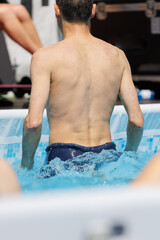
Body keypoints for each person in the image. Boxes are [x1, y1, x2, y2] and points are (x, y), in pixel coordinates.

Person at [21, 0, 144, 171]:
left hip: (64, 157)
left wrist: (26, 165)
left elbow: (33, 123)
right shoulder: (117, 56)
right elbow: (137, 121)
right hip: (107, 156)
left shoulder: (45, 57)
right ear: (93, 10)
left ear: (57, 9)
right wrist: (128, 157)